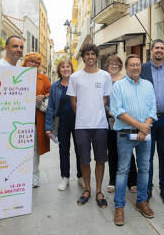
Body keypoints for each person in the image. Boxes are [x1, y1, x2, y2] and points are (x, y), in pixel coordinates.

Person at [110, 54, 157, 226]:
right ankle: (119, 207)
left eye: (138, 65)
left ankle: (141, 201)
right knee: (123, 170)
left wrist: (146, 127)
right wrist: (140, 126)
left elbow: (153, 107)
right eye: (132, 65)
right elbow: (118, 111)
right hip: (125, 134)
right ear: (126, 67)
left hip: (145, 134)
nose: (135, 68)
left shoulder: (148, 85)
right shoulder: (118, 86)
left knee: (144, 168)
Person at [67, 43, 111, 208]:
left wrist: (96, 112)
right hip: (81, 126)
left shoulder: (105, 76)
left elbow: (105, 98)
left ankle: (99, 190)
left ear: (96, 56)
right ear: (83, 57)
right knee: (84, 160)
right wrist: (84, 115)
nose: (90, 57)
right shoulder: (75, 77)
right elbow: (73, 101)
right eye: (87, 54)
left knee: (100, 159)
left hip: (100, 125)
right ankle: (87, 189)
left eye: (93, 54)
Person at [140, 39, 164, 206]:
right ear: (151, 50)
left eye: (162, 48)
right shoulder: (142, 68)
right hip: (147, 120)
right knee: (147, 157)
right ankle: (147, 189)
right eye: (156, 48)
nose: (159, 50)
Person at [45, 59, 83, 191]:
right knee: (63, 150)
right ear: (59, 70)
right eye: (63, 67)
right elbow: (50, 108)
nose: (66, 69)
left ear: (72, 69)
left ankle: (81, 176)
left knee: (80, 150)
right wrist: (48, 127)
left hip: (78, 121)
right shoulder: (55, 86)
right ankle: (65, 177)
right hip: (61, 123)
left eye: (68, 67)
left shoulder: (78, 84)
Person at [105, 55, 137, 194]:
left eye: (116, 63)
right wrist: (110, 112)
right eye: (111, 63)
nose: (113, 65)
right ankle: (112, 181)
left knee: (128, 151)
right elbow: (102, 100)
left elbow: (131, 99)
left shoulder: (126, 79)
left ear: (120, 65)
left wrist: (121, 113)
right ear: (107, 65)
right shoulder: (104, 79)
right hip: (109, 121)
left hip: (125, 120)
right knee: (112, 151)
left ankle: (132, 181)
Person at [22, 52, 51, 188]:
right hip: (19, 119)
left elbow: (51, 92)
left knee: (34, 150)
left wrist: (44, 96)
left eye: (36, 63)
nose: (34, 64)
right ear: (26, 62)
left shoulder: (43, 78)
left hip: (35, 120)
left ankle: (34, 177)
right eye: (31, 61)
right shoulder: (16, 75)